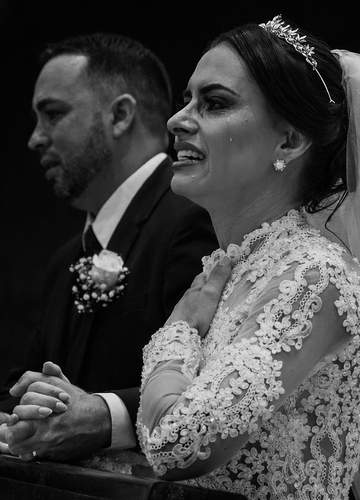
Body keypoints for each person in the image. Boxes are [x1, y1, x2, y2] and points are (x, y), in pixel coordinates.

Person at [9, 15, 360, 499]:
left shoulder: (316, 274)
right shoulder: (233, 268)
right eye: (186, 101)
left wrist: (179, 330)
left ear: (289, 140)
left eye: (214, 103)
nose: (177, 121)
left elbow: (178, 445)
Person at [0, 33, 217, 461]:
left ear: (120, 115)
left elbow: (218, 387)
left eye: (53, 114)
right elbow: (23, 382)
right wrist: (18, 414)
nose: (35, 138)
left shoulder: (198, 218)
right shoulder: (67, 258)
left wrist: (104, 416)